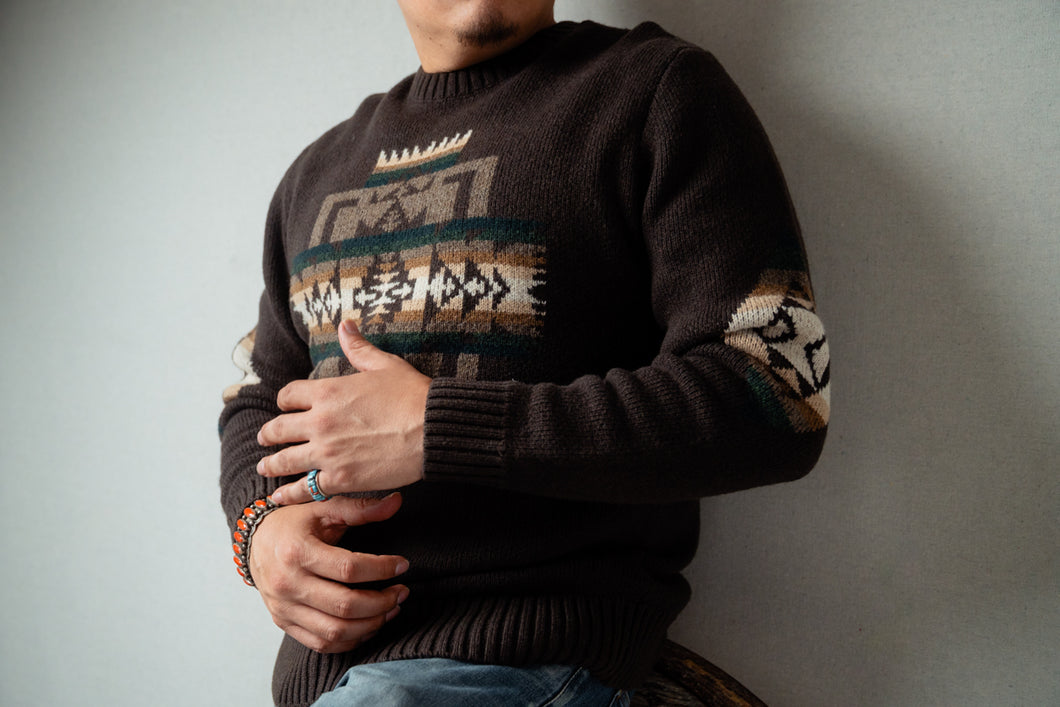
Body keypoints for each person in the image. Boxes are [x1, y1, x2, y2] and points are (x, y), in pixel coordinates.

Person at [219, 1, 830, 705]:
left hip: (532, 656)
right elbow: (254, 396)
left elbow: (781, 388)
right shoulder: (315, 173)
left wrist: (438, 428)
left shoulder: (655, 91)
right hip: (323, 682)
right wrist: (259, 534)